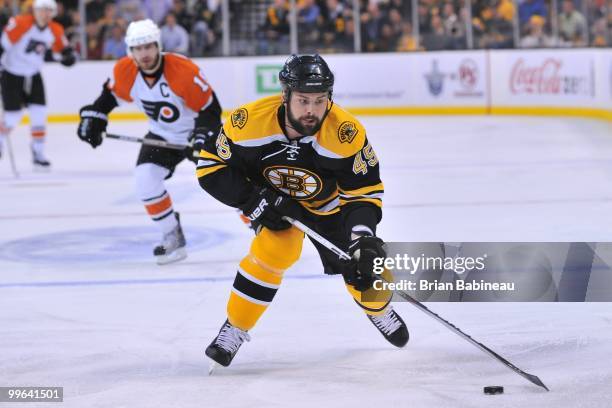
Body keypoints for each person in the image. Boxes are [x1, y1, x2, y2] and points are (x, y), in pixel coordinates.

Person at [197, 54, 408, 367]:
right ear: (286, 96)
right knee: (273, 250)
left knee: (363, 267)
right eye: (303, 100)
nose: (311, 110)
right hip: (276, 204)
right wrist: (252, 200)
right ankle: (236, 326)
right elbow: (210, 167)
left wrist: (363, 237)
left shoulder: (345, 133)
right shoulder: (249, 122)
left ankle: (380, 310)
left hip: (330, 207)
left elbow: (363, 190)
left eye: (320, 100)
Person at [76, 19, 222, 265]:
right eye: (137, 48)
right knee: (145, 180)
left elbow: (210, 109)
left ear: (158, 45)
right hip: (162, 134)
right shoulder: (125, 71)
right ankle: (171, 234)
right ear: (130, 51)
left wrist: (202, 136)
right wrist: (96, 117)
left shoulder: (183, 70)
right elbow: (109, 97)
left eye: (148, 47)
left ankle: (257, 223)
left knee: (226, 181)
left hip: (196, 131)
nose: (144, 54)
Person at [0, 0, 76, 168]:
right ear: (34, 11)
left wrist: (68, 57)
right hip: (11, 73)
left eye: (49, 10)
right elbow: (3, 44)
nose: (45, 14)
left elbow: (62, 50)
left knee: (39, 113)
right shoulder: (21, 23)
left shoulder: (55, 29)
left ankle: (38, 152)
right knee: (13, 117)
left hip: (33, 75)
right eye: (41, 10)